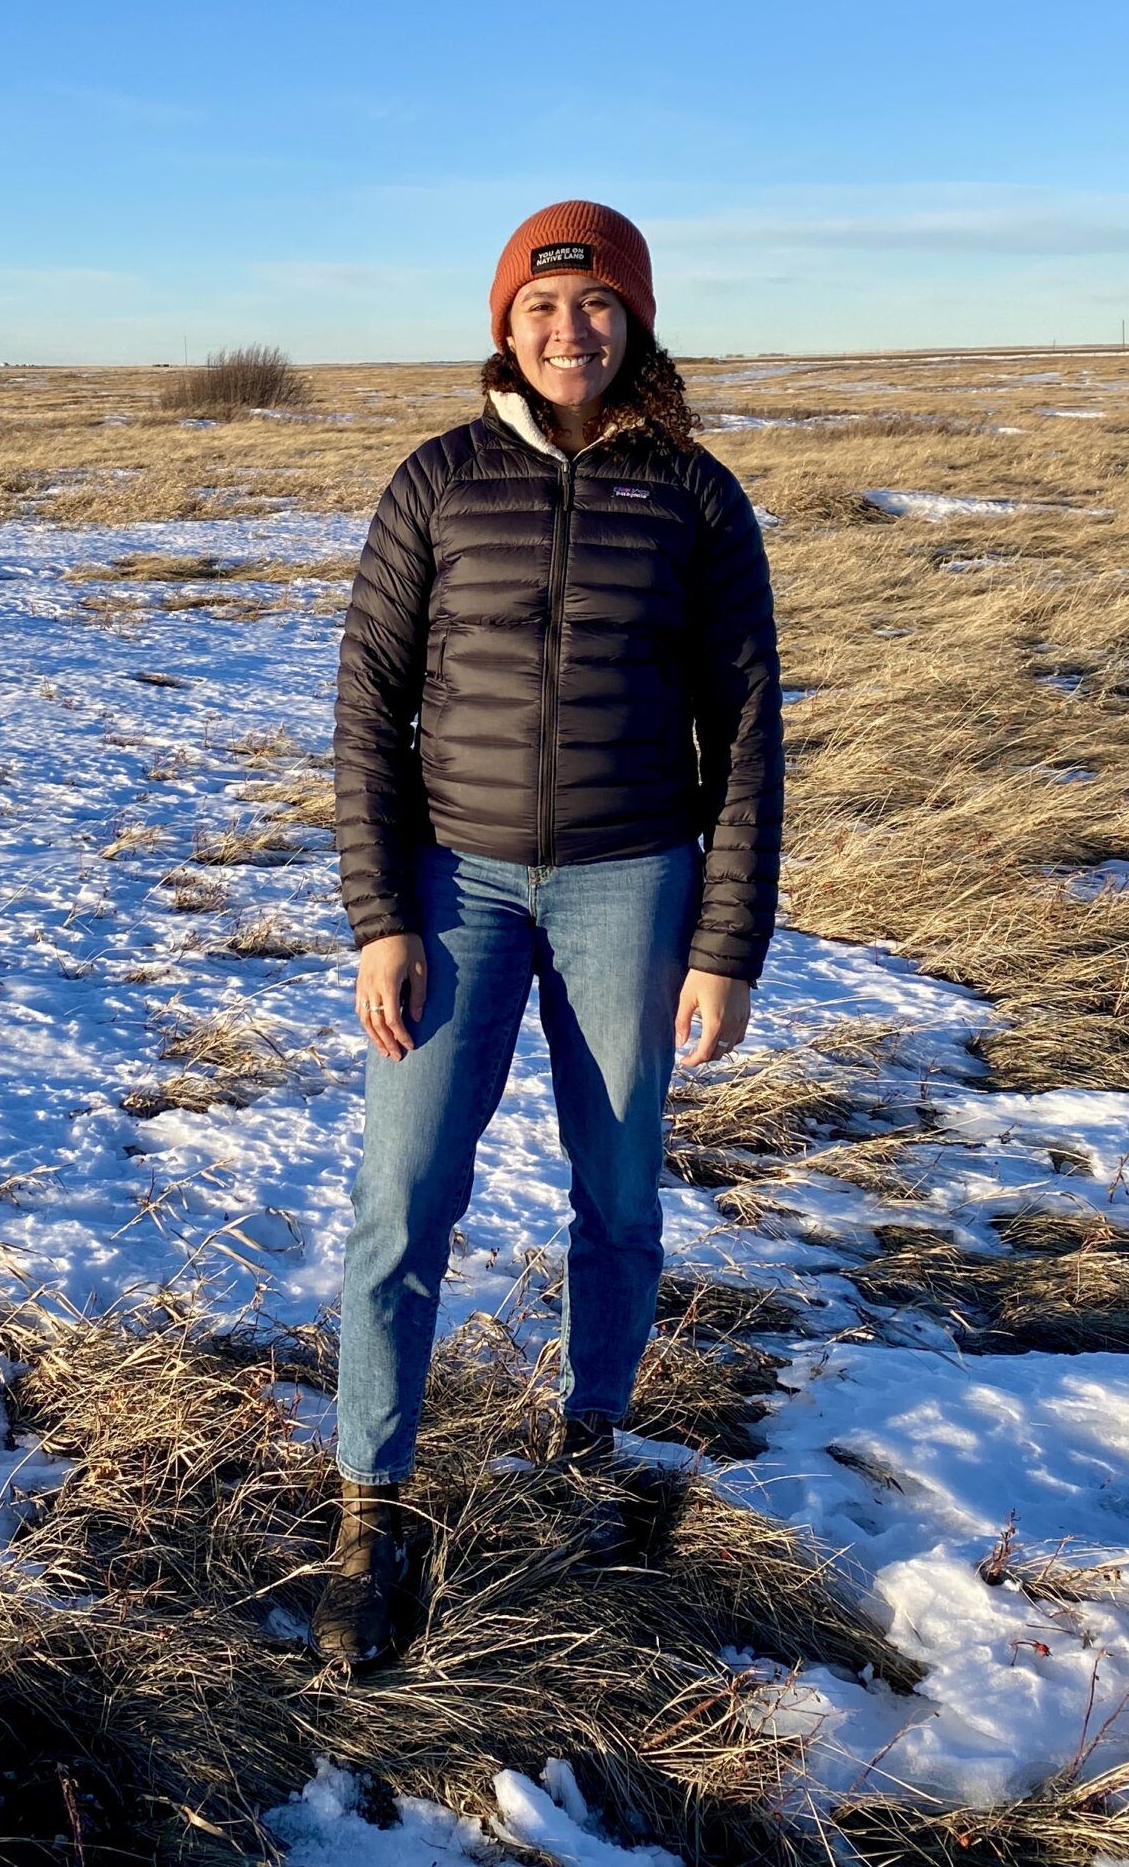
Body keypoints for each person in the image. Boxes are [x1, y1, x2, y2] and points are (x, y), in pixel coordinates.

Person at [319, 198, 783, 1664]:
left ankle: (591, 1446)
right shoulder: (437, 483)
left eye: (594, 309)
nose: (567, 331)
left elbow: (751, 734)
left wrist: (727, 945)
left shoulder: (698, 498)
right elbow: (365, 714)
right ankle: (369, 1508)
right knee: (403, 1200)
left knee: (621, 1190)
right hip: (455, 885)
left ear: (634, 322)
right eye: (539, 307)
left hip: (631, 882)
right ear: (504, 325)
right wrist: (380, 914)